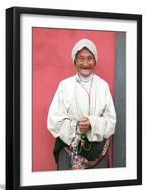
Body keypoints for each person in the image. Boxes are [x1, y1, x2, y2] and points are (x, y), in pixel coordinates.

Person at [47, 38, 116, 170]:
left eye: (90, 58)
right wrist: (77, 126)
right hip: (69, 153)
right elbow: (54, 121)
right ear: (74, 61)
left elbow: (111, 122)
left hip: (98, 153)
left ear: (95, 60)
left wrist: (92, 123)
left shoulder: (103, 86)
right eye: (81, 58)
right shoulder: (64, 86)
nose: (85, 63)